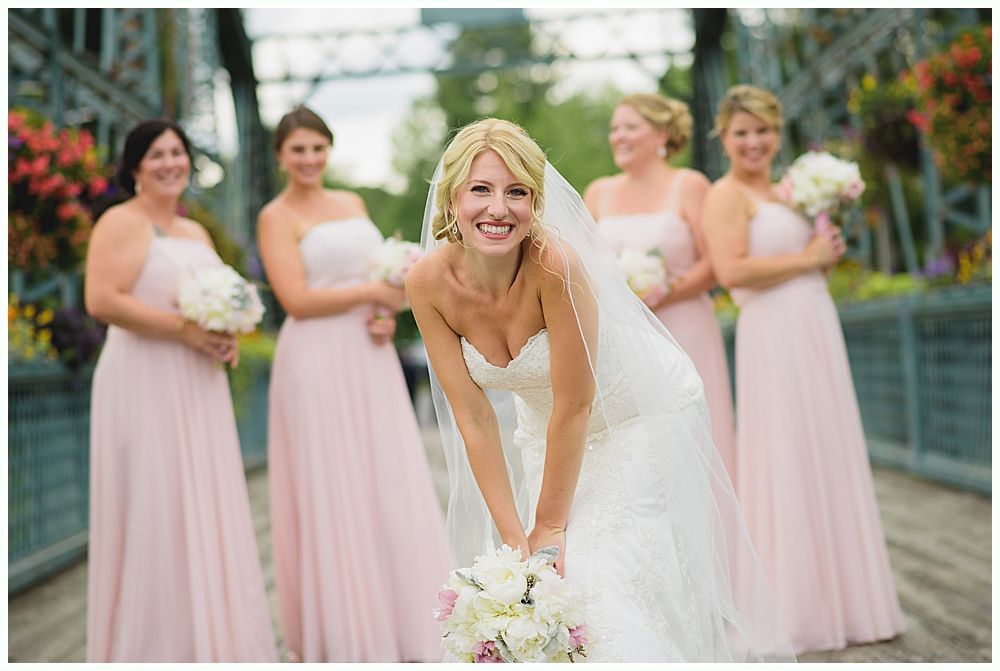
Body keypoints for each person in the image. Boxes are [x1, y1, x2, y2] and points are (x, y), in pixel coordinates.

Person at [406, 117, 793, 662]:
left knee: (605, 567)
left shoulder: (554, 264)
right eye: (481, 190)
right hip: (550, 431)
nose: (499, 208)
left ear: (535, 203)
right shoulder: (427, 283)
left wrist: (548, 525)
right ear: (450, 200)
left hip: (642, 412)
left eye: (517, 191)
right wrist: (516, 537)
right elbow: (472, 417)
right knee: (543, 574)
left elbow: (576, 401)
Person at [701, 84, 906, 654]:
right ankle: (795, 609)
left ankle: (850, 600)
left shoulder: (789, 190)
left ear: (777, 133)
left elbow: (797, 257)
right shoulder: (725, 195)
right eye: (741, 132)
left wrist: (824, 246)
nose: (753, 141)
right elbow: (732, 270)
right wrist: (806, 259)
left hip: (815, 322)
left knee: (828, 444)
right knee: (787, 452)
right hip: (771, 333)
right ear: (724, 138)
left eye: (763, 130)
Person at [257, 106, 450, 662]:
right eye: (298, 149)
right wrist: (373, 293)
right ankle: (347, 629)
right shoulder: (276, 215)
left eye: (318, 147)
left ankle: (403, 617)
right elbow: (296, 299)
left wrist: (388, 310)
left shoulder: (353, 204)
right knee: (332, 478)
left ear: (329, 150)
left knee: (384, 473)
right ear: (280, 156)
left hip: (370, 356)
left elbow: (379, 284)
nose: (310, 159)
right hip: (314, 360)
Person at [84, 120, 277, 662]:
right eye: (156, 154)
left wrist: (226, 338)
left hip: (197, 382)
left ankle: (209, 640)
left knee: (202, 498)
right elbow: (102, 300)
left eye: (177, 153)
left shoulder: (194, 233)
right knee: (155, 501)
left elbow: (213, 301)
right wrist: (188, 332)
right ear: (135, 167)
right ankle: (155, 648)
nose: (170, 163)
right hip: (142, 379)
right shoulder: (120, 223)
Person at [584, 93, 735, 477]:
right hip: (622, 337)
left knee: (693, 436)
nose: (618, 136)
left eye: (630, 127)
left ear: (661, 134)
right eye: (614, 128)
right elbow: (580, 266)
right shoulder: (598, 192)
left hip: (685, 328)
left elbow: (714, 262)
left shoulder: (690, 185)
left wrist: (666, 290)